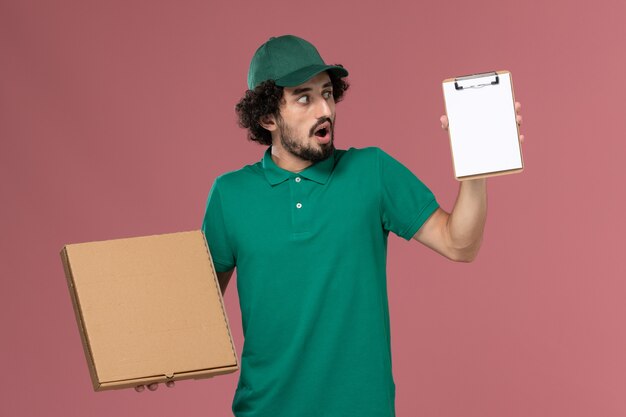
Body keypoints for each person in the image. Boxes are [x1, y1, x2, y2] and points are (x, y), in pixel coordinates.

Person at [138, 35, 524, 417]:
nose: (324, 108)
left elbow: (460, 244)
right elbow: (195, 313)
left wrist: (477, 164)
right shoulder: (230, 194)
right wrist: (152, 357)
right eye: (304, 98)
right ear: (267, 117)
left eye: (327, 92)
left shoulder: (372, 171)